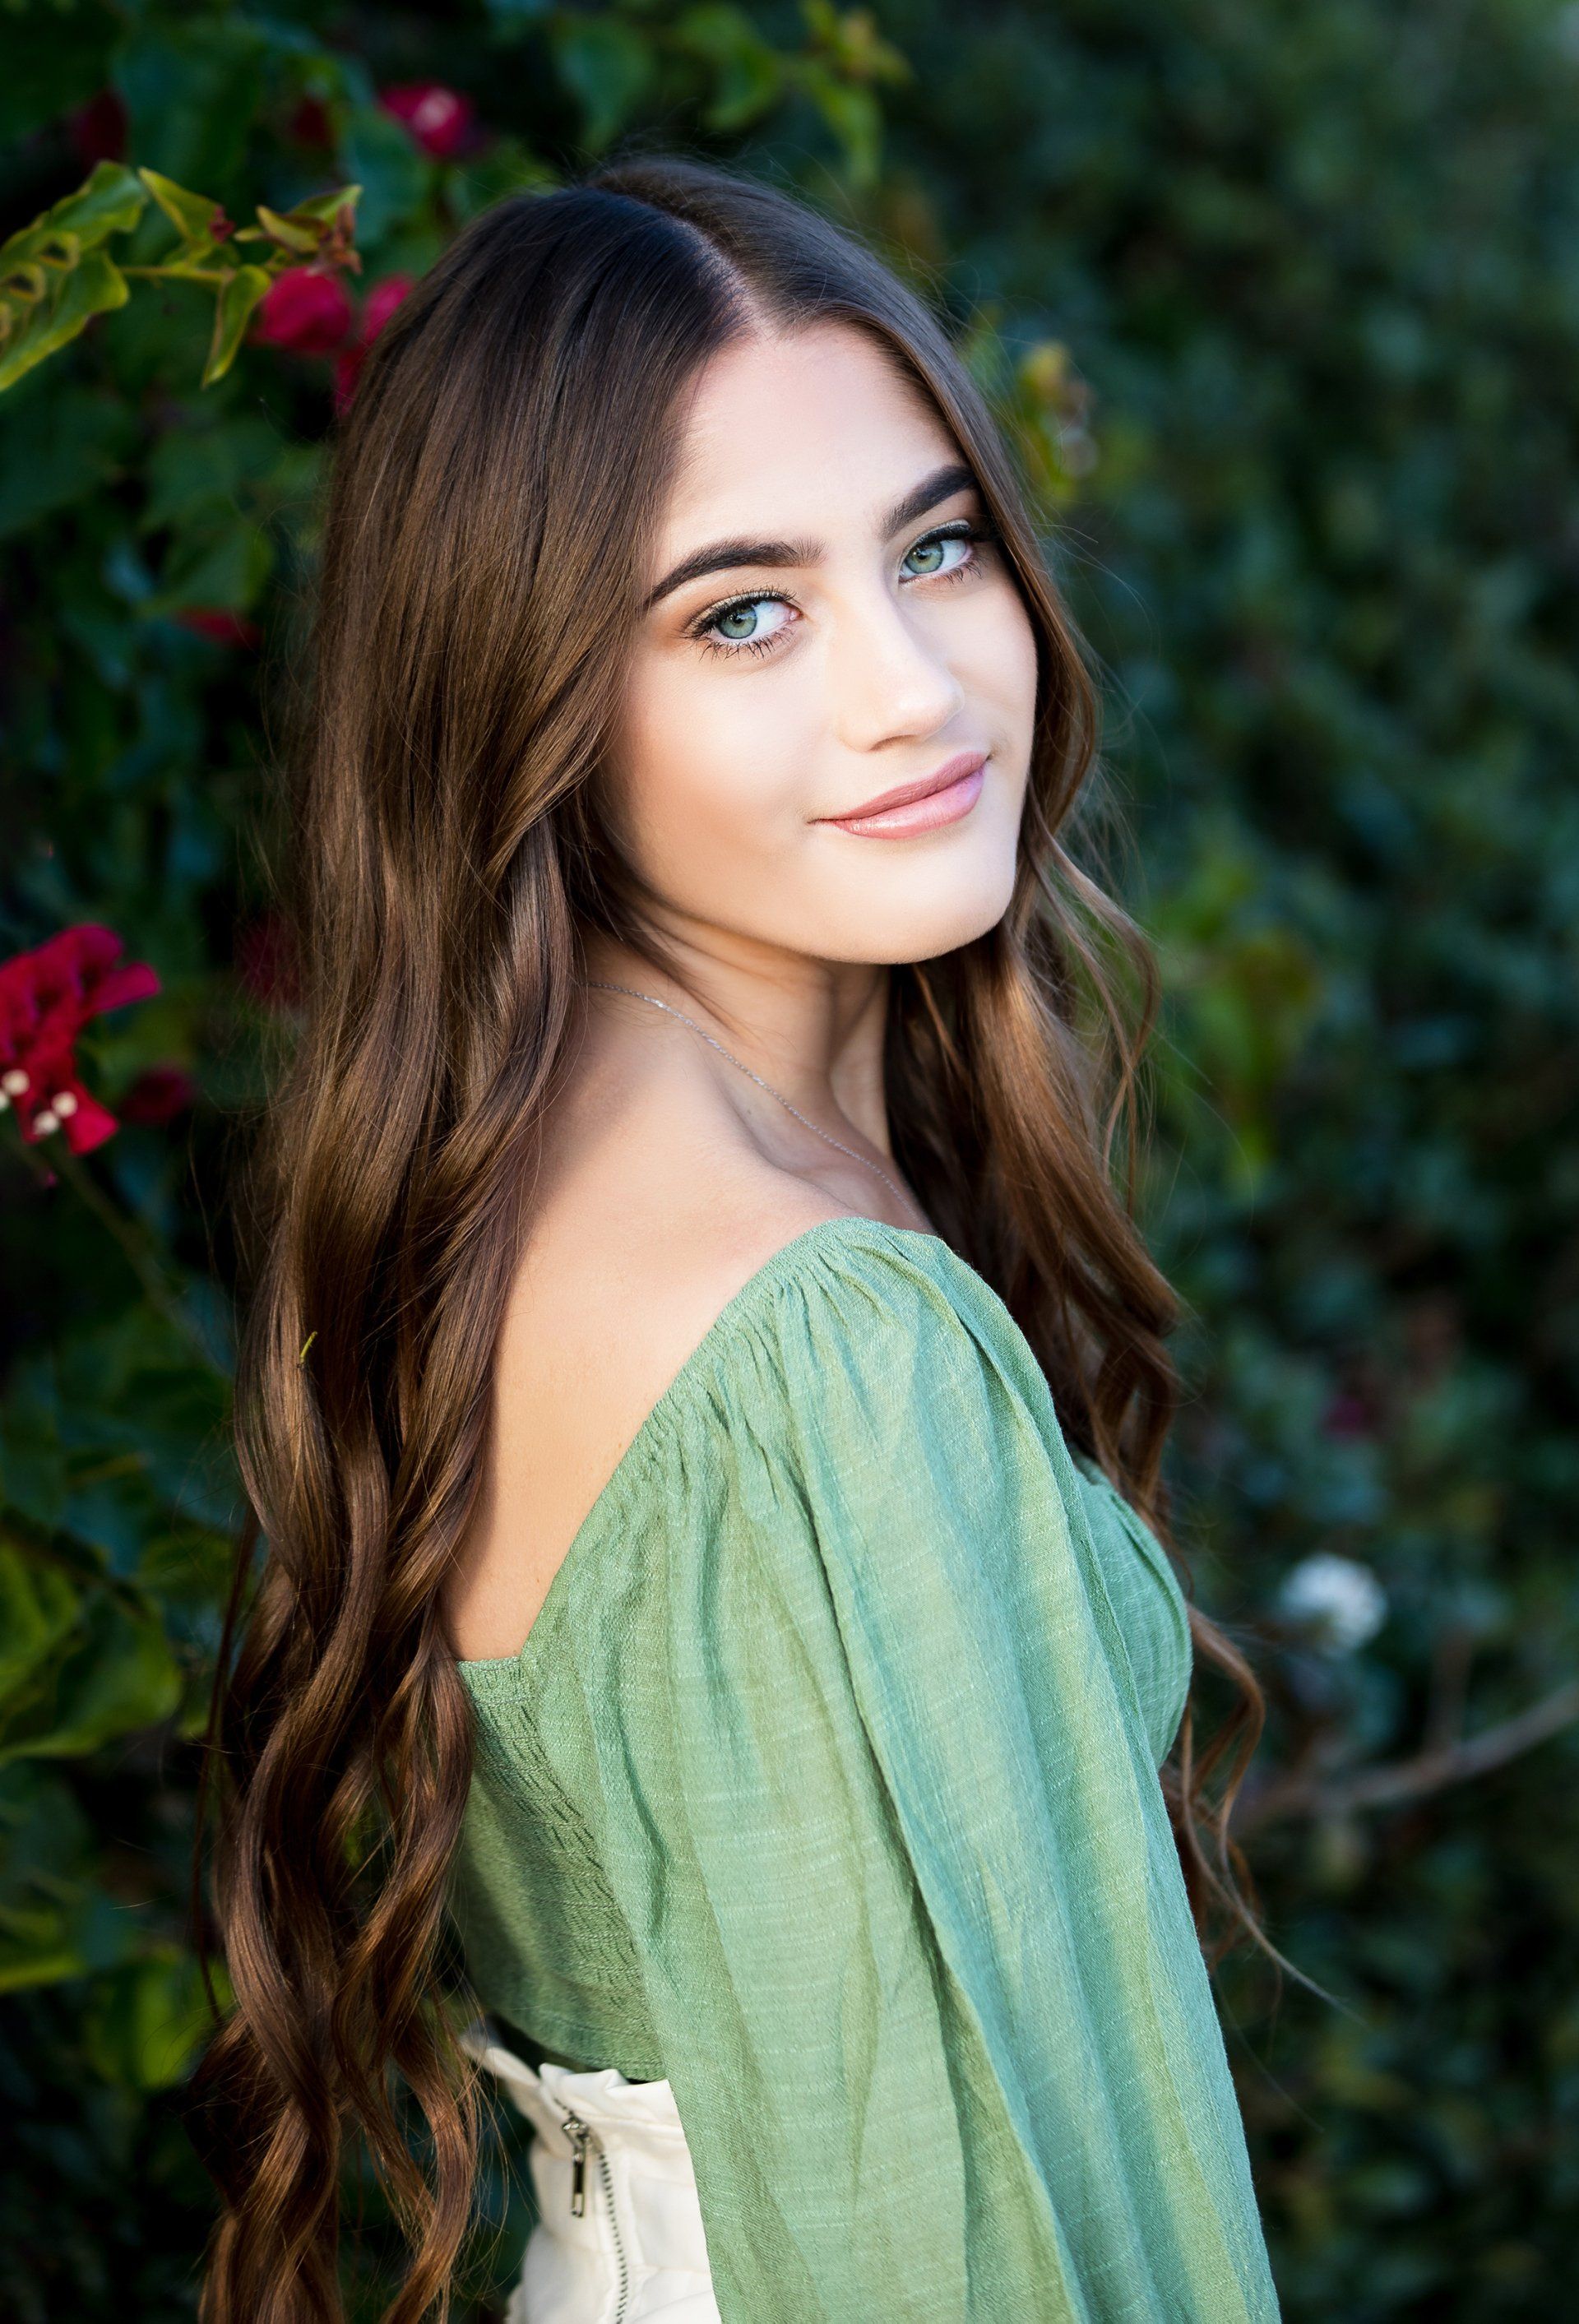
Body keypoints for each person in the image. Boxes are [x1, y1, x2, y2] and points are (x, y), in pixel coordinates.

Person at [190, 151, 1283, 2322]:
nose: (915, 691)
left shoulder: (519, 1173)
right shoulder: (816, 1343)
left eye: (939, 544)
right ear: (533, 700)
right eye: (742, 612)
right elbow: (927, 2239)